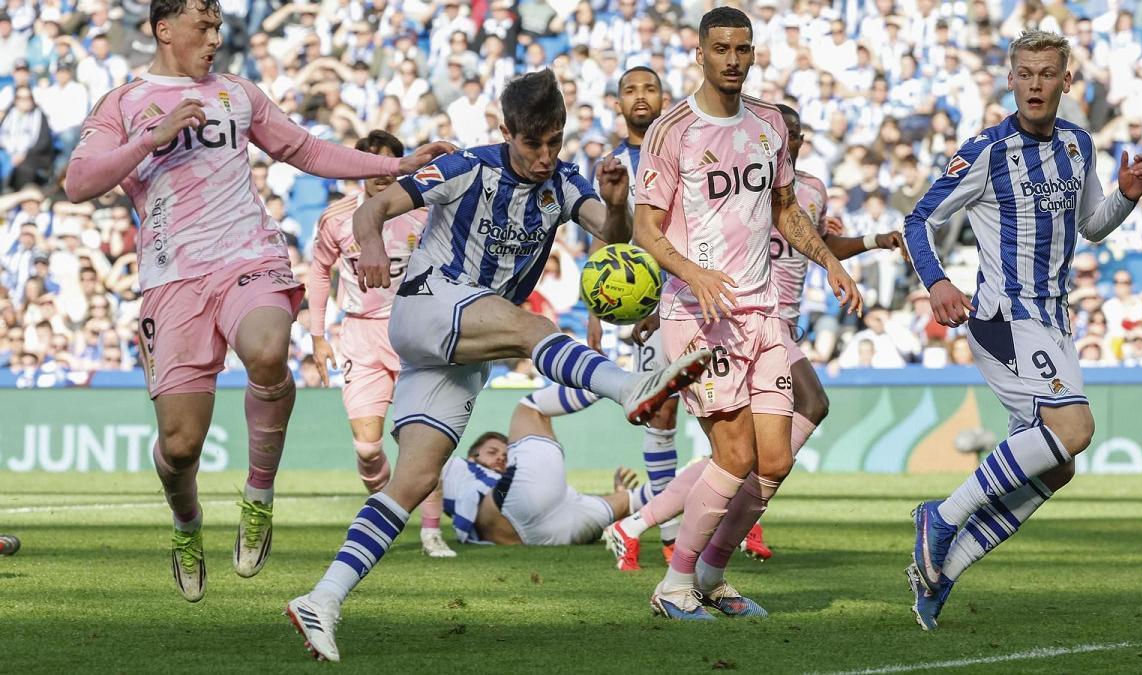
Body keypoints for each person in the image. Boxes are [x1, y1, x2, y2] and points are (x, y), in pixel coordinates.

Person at [285, 69, 712, 662]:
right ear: (507, 131)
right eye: (533, 143)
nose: (545, 156)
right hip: (426, 303)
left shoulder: (563, 182)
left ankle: (321, 599)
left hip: (461, 347)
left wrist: (615, 204)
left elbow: (612, 242)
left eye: (555, 141)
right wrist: (377, 247)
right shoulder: (469, 167)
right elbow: (374, 208)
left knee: (412, 480)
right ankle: (631, 387)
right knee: (532, 329)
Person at [62, 0, 454, 603]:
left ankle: (259, 494)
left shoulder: (237, 94)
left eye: (219, 25)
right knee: (179, 446)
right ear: (164, 29)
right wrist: (151, 138)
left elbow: (305, 150)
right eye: (204, 25)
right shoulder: (123, 103)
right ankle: (187, 525)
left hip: (250, 257)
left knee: (271, 350)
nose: (216, 37)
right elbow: (80, 182)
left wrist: (396, 164)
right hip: (172, 279)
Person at [903, 30, 1142, 631]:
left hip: (1054, 321)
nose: (1035, 83)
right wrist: (938, 283)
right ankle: (941, 518)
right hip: (1002, 318)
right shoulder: (987, 150)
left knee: (1057, 465)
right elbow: (917, 221)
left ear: (1066, 82)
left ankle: (942, 572)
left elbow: (1091, 226)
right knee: (1075, 428)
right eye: (1025, 73)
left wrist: (1124, 198)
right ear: (1010, 80)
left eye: (1047, 74)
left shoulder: (1078, 144)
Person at [605, 102, 907, 571]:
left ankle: (648, 527)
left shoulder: (808, 191)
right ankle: (687, 548)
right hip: (731, 316)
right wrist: (664, 306)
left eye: (797, 131)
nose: (791, 137)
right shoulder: (733, 180)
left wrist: (868, 243)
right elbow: (680, 237)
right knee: (780, 425)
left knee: (743, 455)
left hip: (775, 321)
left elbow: (816, 244)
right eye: (783, 129)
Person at [632, 7, 861, 621]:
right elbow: (645, 228)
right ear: (700, 54)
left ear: (753, 52)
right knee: (733, 455)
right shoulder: (672, 130)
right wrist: (695, 273)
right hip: (699, 316)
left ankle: (710, 574)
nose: (732, 59)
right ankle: (673, 586)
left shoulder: (767, 124)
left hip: (764, 317)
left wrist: (829, 263)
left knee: (775, 459)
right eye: (721, 49)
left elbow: (786, 209)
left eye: (742, 49)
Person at [522, 66, 684, 566]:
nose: (640, 97)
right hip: (644, 303)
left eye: (649, 88)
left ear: (664, 98)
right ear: (617, 104)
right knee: (661, 417)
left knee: (709, 417)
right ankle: (672, 541)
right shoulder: (613, 164)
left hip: (688, 294)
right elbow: (609, 237)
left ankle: (681, 530)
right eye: (630, 90)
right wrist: (596, 310)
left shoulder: (685, 153)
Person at [307, 129, 454, 559]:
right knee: (368, 448)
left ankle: (430, 531)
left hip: (412, 332)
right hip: (360, 336)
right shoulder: (337, 218)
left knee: (421, 443)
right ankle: (391, 504)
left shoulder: (421, 212)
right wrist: (317, 335)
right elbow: (319, 272)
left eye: (387, 162)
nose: (379, 174)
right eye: (371, 164)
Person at [441, 397, 647, 547]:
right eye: (492, 452)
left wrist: (617, 493)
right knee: (531, 408)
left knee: (630, 499)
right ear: (472, 455)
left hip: (552, 520)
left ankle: (673, 483)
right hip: (519, 510)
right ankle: (618, 383)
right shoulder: (457, 466)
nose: (500, 458)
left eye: (505, 456)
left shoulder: (512, 480)